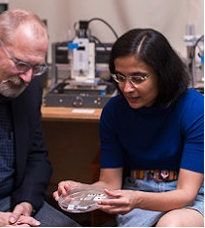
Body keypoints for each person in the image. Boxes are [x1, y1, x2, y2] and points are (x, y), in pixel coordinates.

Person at [53, 28, 204, 227]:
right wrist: (81, 189)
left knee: (171, 225)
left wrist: (136, 199)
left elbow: (185, 194)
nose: (127, 88)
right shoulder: (114, 112)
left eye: (138, 78)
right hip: (137, 192)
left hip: (188, 198)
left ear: (163, 74)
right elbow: (109, 183)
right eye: (120, 77)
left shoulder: (194, 107)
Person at [0, 9, 79, 227]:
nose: (28, 77)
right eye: (20, 64)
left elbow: (37, 157)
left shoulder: (28, 87)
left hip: (11, 203)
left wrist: (26, 205)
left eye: (37, 67)